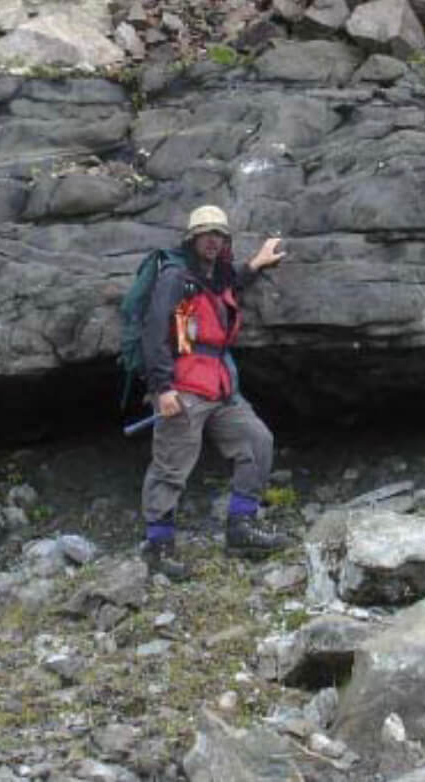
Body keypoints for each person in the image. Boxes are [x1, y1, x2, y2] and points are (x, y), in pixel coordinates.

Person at [139, 204, 291, 579]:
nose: (213, 240)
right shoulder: (175, 277)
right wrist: (162, 389)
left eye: (220, 235)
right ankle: (158, 547)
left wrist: (256, 264)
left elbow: (228, 285)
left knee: (257, 441)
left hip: (221, 387)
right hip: (183, 387)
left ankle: (241, 528)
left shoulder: (216, 276)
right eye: (207, 234)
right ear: (192, 239)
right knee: (171, 466)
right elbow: (154, 332)